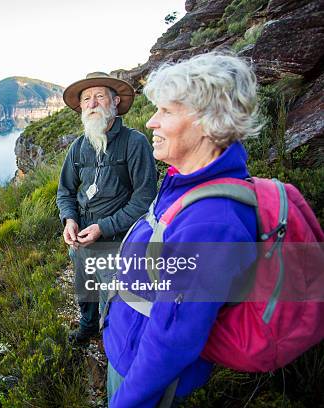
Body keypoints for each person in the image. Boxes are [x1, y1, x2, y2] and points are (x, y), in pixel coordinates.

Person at [102, 52, 261, 407]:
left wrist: (126, 401)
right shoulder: (185, 182)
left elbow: (172, 340)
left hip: (146, 379)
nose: (151, 123)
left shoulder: (210, 224)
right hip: (131, 349)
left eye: (166, 112)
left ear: (208, 122)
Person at [56, 72, 158, 344]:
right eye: (86, 99)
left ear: (114, 102)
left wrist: (104, 227)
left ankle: (111, 346)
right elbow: (65, 191)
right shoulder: (78, 148)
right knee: (84, 289)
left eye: (99, 96)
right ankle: (88, 327)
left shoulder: (134, 144)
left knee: (113, 302)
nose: (92, 104)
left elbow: (145, 199)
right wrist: (69, 220)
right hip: (81, 240)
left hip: (119, 243)